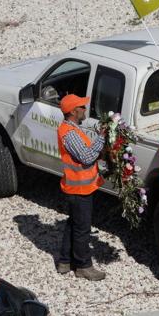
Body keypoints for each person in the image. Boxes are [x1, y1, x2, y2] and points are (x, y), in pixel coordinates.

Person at [56, 94, 106, 281]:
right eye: (82, 107)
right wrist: (101, 139)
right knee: (82, 228)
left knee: (74, 224)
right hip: (79, 189)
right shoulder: (69, 133)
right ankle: (83, 266)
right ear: (72, 111)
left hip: (78, 186)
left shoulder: (72, 128)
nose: (85, 109)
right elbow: (85, 157)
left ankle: (64, 261)